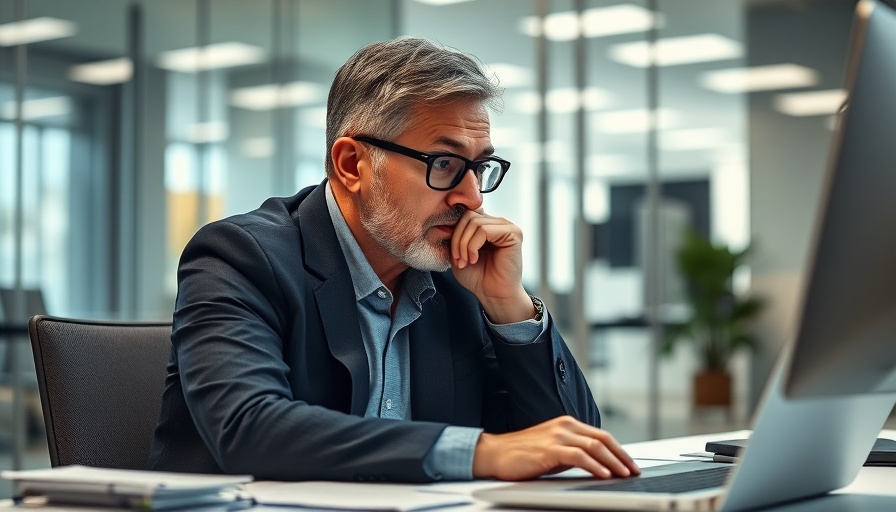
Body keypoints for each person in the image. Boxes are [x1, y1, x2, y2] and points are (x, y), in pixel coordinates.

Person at [147, 36, 640, 483]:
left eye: (480, 167)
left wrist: (509, 306)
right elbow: (249, 428)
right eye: (444, 164)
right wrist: (477, 453)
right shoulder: (240, 257)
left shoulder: (453, 279)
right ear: (351, 164)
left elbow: (573, 443)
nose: (472, 197)